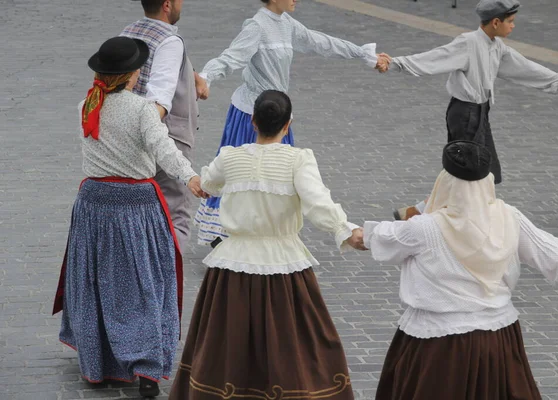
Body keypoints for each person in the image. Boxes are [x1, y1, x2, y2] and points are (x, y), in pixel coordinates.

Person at [362, 140, 558, 400]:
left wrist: (344, 229)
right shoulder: (510, 218)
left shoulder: (423, 228)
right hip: (497, 341)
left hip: (438, 345)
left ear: (444, 182)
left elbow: (373, 238)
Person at [169, 90, 366, 400]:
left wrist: (199, 182)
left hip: (233, 265)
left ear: (253, 121)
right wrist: (347, 230)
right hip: (283, 263)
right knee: (291, 341)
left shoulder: (230, 157)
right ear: (288, 125)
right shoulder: (298, 160)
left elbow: (208, 183)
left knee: (226, 343)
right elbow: (318, 203)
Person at [52, 37, 206, 398]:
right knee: (145, 284)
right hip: (136, 208)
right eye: (138, 69)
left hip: (93, 205)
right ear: (129, 76)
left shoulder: (85, 105)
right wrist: (191, 178)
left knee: (98, 281)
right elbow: (163, 149)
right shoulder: (141, 110)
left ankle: (101, 363)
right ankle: (147, 369)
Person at [193, 0, 389, 248]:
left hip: (278, 111)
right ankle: (226, 230)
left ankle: (269, 227)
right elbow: (231, 57)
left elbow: (321, 42)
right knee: (242, 173)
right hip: (252, 114)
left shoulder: (286, 23)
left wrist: (363, 54)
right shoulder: (257, 26)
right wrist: (206, 77)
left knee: (280, 174)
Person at [377, 0, 558, 220]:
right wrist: (394, 63)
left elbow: (526, 68)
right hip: (464, 113)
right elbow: (434, 58)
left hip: (480, 113)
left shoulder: (497, 46)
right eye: (511, 21)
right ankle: (432, 214)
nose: (513, 26)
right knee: (468, 173)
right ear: (496, 22)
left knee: (483, 172)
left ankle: (421, 211)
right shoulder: (468, 43)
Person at [121, 0, 202, 250]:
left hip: (127, 139)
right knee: (175, 215)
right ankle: (163, 279)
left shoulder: (127, 32)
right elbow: (159, 100)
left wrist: (193, 76)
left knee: (137, 213)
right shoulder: (169, 41)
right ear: (167, 4)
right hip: (166, 137)